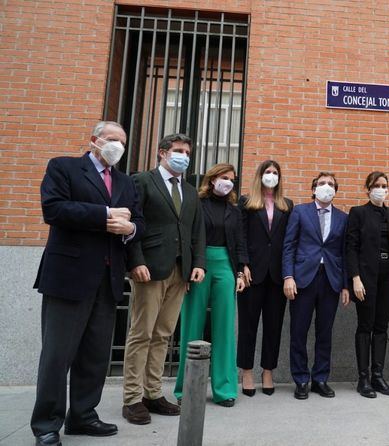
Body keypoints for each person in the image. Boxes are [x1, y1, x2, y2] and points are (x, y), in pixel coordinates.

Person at [31, 121, 144, 446]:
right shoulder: (64, 168)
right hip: (69, 277)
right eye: (112, 140)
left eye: (122, 142)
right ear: (95, 140)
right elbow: (53, 209)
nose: (117, 146)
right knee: (57, 355)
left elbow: (138, 220)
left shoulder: (125, 181)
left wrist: (131, 230)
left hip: (108, 280)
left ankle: (83, 415)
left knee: (95, 356)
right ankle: (47, 425)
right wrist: (104, 216)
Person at [122, 133, 206, 425]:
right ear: (162, 153)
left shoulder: (192, 192)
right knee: (141, 333)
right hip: (150, 269)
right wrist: (136, 262)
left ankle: (153, 392)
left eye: (187, 151)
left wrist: (198, 265)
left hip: (180, 272)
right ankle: (132, 398)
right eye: (178, 150)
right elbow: (132, 223)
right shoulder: (143, 181)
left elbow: (197, 233)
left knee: (163, 335)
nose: (184, 156)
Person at [173, 163, 246, 407]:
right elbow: (187, 237)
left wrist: (240, 271)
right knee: (191, 325)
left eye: (232, 179)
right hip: (198, 266)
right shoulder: (196, 203)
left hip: (226, 264)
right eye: (224, 177)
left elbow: (240, 242)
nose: (228, 182)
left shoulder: (235, 211)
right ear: (212, 179)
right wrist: (185, 270)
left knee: (224, 327)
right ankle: (186, 390)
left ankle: (225, 389)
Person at [282, 172, 349, 400]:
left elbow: (344, 253)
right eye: (322, 183)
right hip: (302, 279)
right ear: (313, 189)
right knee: (299, 331)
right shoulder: (300, 212)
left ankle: (320, 378)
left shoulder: (343, 217)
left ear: (335, 191)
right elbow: (289, 245)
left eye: (331, 184)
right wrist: (288, 277)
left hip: (330, 280)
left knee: (325, 332)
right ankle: (301, 379)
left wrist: (345, 285)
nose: (326, 187)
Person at [237, 160, 293, 396]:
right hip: (253, 273)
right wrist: (243, 265)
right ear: (259, 175)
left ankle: (268, 370)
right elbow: (240, 235)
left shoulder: (287, 205)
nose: (271, 176)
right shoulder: (246, 203)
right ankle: (247, 371)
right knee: (248, 325)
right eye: (267, 172)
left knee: (273, 325)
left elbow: (289, 241)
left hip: (277, 275)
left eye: (275, 173)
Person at [346, 171, 389, 398]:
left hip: (388, 278)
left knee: (382, 327)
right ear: (368, 188)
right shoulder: (358, 213)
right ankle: (363, 379)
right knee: (365, 326)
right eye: (377, 185)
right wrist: (355, 278)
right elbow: (351, 247)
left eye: (385, 185)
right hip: (366, 278)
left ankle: (378, 376)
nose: (381, 188)